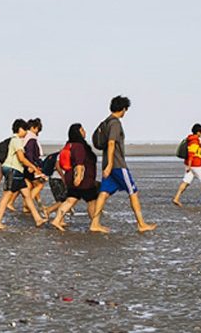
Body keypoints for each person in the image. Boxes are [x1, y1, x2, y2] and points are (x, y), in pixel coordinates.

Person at [93, 95, 156, 233]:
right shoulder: (115, 123)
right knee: (133, 192)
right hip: (117, 164)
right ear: (122, 109)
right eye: (125, 110)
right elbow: (111, 143)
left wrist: (107, 165)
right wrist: (110, 164)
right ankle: (141, 224)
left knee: (104, 193)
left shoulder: (106, 122)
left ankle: (95, 223)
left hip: (108, 164)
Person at [48, 123, 102, 232]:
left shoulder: (70, 145)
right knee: (92, 201)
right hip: (83, 180)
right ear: (78, 132)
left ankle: (57, 220)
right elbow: (79, 164)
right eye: (82, 130)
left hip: (72, 178)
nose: (84, 132)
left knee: (70, 200)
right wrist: (78, 178)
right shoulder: (79, 146)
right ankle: (94, 224)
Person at [0, 119, 43, 230]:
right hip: (13, 170)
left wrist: (0, 175)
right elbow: (21, 158)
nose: (26, 132)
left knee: (27, 195)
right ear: (20, 129)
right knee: (7, 196)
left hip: (15, 171)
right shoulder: (16, 141)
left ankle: (38, 219)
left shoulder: (14, 140)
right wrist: (34, 167)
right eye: (25, 129)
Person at [172, 123, 201, 206]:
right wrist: (190, 166)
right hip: (195, 165)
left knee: (186, 181)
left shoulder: (191, 139)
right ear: (198, 132)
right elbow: (191, 154)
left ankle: (176, 198)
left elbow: (196, 152)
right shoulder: (194, 141)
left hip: (190, 164)